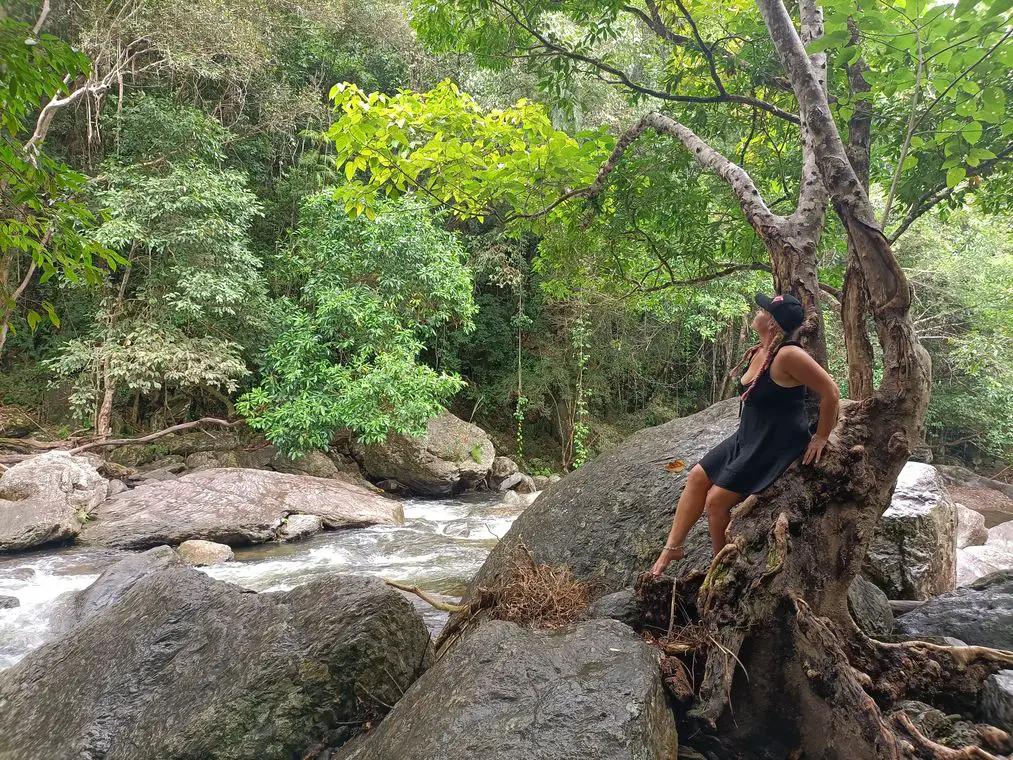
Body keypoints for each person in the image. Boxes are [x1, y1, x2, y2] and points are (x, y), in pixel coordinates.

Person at [650, 293, 840, 578]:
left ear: (772, 323)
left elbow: (831, 393)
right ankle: (672, 549)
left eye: (763, 310)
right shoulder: (760, 351)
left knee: (715, 502)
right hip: (749, 436)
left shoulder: (789, 355)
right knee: (697, 477)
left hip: (775, 443)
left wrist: (821, 436)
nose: (757, 312)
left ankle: (723, 570)